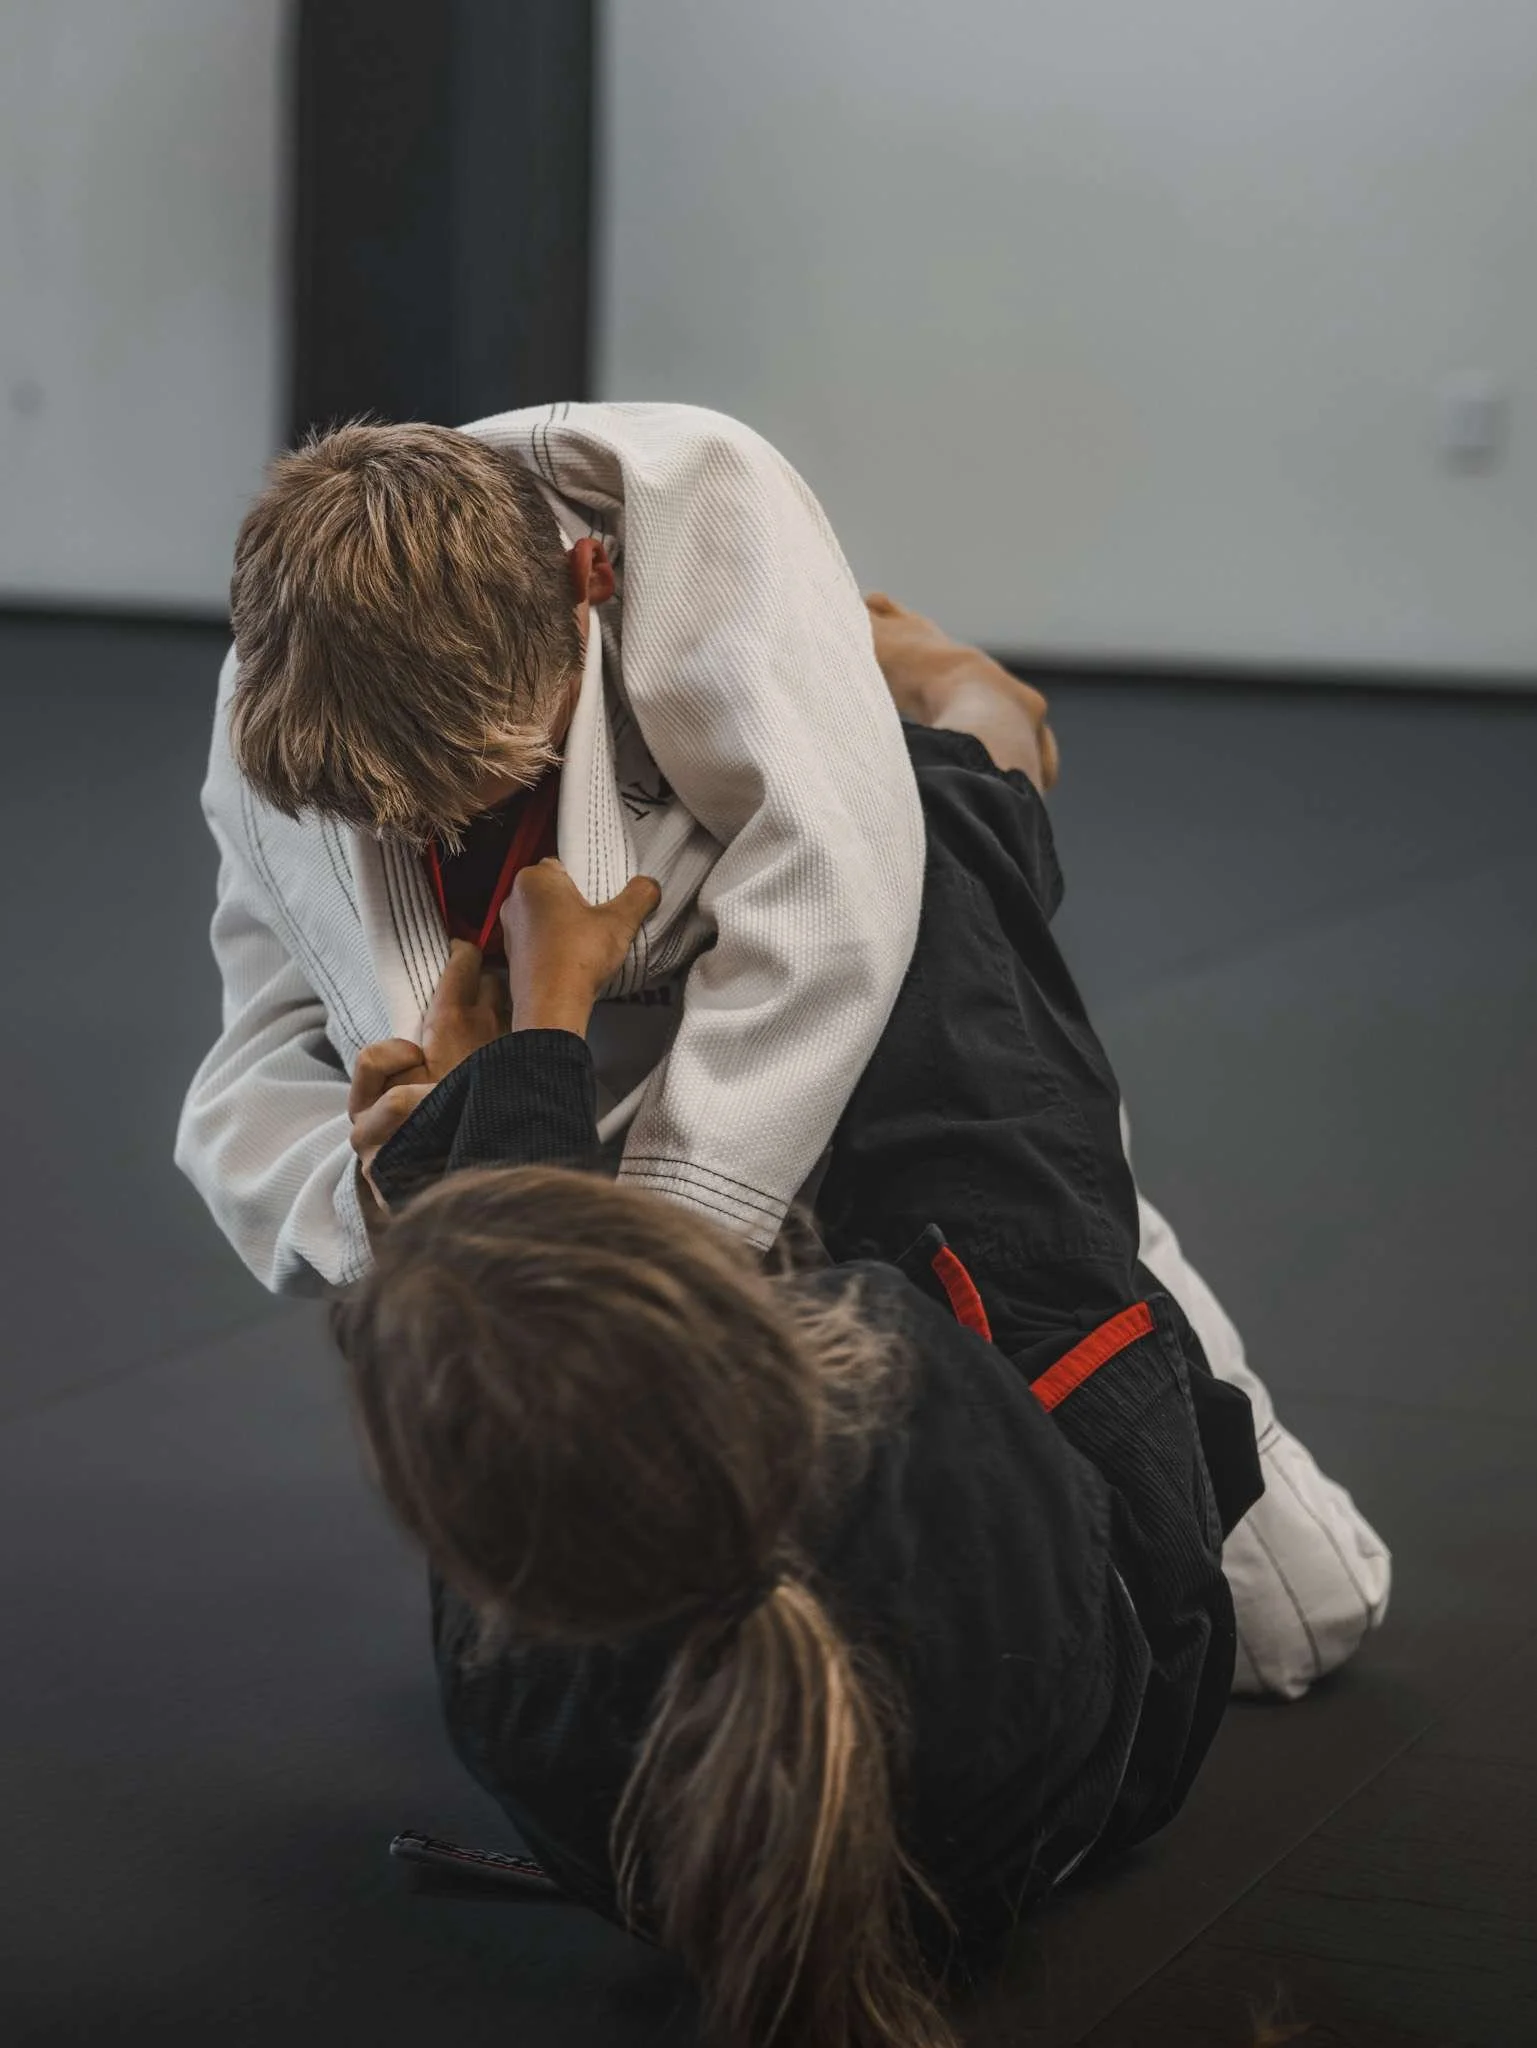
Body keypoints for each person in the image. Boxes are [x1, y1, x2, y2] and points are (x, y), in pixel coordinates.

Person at [334, 695, 1262, 2048]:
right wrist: (546, 1023)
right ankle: (980, 725)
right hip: (1120, 1701)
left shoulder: (510, 1696)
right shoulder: (887, 1370)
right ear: (746, 1347)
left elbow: (539, 1391)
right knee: (934, 856)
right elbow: (703, 1333)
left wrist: (484, 1109)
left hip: (1005, 1799)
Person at [176, 404, 926, 1291]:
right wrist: (386, 1191)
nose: (444, 835)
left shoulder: (703, 524)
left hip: (833, 1180)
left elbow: (828, 923)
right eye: (407, 822)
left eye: (494, 780)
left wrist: (651, 1268)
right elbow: (254, 1062)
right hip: (520, 1230)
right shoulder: (290, 704)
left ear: (590, 580)